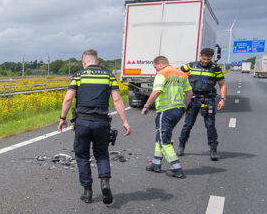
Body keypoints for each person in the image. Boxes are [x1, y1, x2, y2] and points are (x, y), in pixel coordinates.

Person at [58, 49, 131, 204]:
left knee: (82, 156)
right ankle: (105, 183)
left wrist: (62, 118)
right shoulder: (109, 76)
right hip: (101, 122)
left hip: (82, 122)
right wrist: (124, 121)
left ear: (84, 63)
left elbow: (68, 99)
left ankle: (87, 191)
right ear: (97, 62)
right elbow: (117, 100)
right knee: (102, 154)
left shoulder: (78, 75)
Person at [141, 55, 193, 178]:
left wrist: (146, 106)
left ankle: (176, 168)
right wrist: (183, 109)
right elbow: (189, 93)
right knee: (160, 136)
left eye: (155, 67)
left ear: (159, 64)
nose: (156, 70)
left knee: (164, 140)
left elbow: (157, 91)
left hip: (166, 110)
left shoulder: (162, 74)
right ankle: (156, 163)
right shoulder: (182, 74)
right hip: (178, 109)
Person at [176, 47, 227, 160]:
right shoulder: (191, 66)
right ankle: (181, 145)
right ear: (200, 56)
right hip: (192, 99)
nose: (205, 61)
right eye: (204, 59)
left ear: (211, 58)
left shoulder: (215, 68)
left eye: (208, 59)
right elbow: (177, 72)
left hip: (208, 99)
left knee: (210, 125)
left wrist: (223, 99)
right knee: (187, 124)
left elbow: (222, 84)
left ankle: (213, 149)